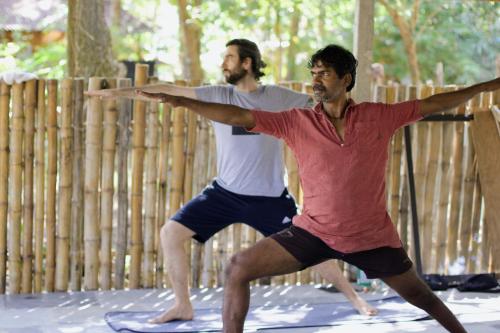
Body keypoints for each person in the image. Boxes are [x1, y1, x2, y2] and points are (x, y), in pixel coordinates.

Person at [136, 44, 500, 333]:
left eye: (324, 74)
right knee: (238, 267)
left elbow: (435, 103)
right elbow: (238, 116)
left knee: (422, 296)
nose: (315, 81)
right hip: (315, 233)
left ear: (346, 78)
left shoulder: (378, 116)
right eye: (313, 74)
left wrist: (486, 86)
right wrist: (184, 102)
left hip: (371, 237)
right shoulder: (297, 122)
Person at [87, 39, 377, 323]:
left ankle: (355, 298)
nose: (223, 63)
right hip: (224, 194)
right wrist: (118, 93)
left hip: (270, 199)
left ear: (247, 63)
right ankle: (182, 306)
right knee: (170, 234)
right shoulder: (218, 94)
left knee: (313, 248)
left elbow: (328, 103)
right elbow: (166, 90)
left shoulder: (277, 97)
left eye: (229, 57)